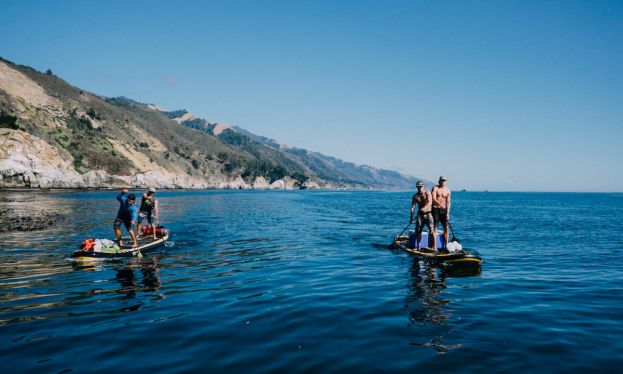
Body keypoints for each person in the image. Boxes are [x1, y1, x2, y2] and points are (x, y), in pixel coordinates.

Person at [410, 181, 434, 250]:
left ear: (423, 186)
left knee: (431, 230)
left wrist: (424, 208)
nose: (419, 188)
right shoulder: (415, 196)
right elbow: (413, 207)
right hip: (420, 215)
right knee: (418, 231)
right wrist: (411, 218)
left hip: (428, 214)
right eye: (418, 187)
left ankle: (431, 247)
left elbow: (430, 202)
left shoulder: (427, 193)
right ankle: (418, 246)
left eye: (421, 186)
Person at [431, 176, 451, 250]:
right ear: (439, 181)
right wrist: (440, 204)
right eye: (442, 180)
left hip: (444, 211)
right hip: (435, 209)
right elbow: (433, 198)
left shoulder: (448, 190)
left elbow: (448, 202)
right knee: (435, 227)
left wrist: (448, 213)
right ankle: (434, 246)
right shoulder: (435, 188)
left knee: (446, 227)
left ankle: (446, 245)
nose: (443, 181)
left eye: (445, 180)